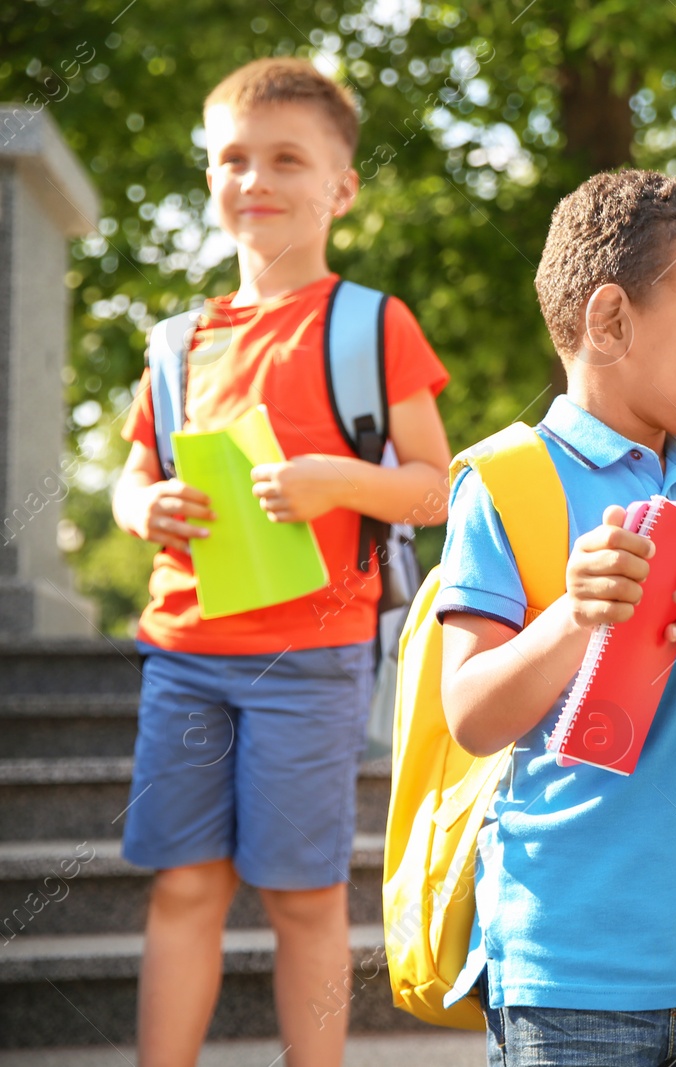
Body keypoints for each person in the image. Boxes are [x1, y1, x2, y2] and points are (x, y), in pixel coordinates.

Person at [434, 169, 676, 1066]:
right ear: (610, 321)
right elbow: (471, 714)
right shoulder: (504, 484)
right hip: (567, 975)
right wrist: (575, 614)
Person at [112, 57, 452, 1067]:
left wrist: (338, 481)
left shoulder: (371, 323)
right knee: (183, 884)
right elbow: (131, 480)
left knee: (303, 895)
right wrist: (145, 509)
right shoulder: (175, 343)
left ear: (341, 187)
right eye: (232, 160)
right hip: (184, 652)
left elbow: (434, 486)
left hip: (312, 655)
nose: (253, 179)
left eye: (285, 159)